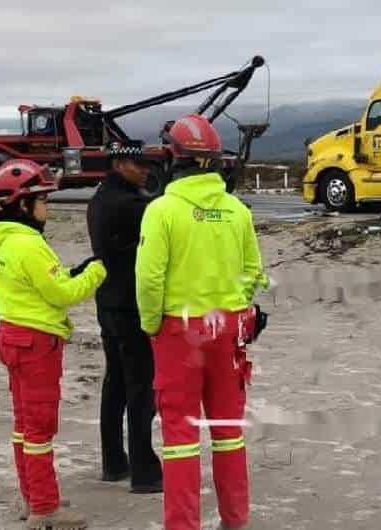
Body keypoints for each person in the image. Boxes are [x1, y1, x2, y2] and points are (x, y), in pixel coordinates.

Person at [136, 114, 269, 530]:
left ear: (174, 159)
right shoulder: (237, 211)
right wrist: (236, 310)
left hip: (179, 332)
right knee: (229, 431)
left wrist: (151, 323)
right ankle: (235, 519)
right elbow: (254, 272)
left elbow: (149, 278)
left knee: (180, 439)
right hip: (228, 331)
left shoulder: (162, 211)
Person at [0, 159, 106, 530]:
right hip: (36, 344)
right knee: (40, 429)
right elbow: (62, 294)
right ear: (23, 205)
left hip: (13, 337)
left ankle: (33, 494)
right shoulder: (27, 244)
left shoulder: (3, 239)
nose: (46, 208)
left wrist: (73, 272)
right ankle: (45, 509)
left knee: (24, 426)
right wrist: (97, 271)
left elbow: (41, 285)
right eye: (43, 201)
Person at [86, 140, 163, 493]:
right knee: (140, 386)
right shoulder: (130, 205)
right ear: (119, 164)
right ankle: (145, 472)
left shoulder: (101, 198)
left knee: (115, 382)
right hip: (131, 305)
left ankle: (114, 462)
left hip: (108, 301)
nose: (145, 170)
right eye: (138, 165)